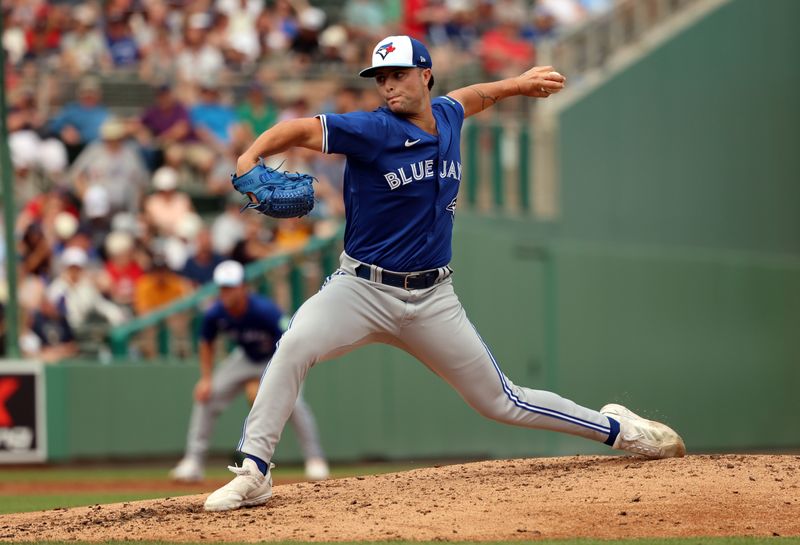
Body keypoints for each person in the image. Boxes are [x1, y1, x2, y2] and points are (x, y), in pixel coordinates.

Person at [203, 35, 685, 512]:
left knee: (502, 401)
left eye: (399, 75)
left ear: (425, 75)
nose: (389, 86)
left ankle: (620, 430)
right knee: (293, 346)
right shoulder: (373, 130)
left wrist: (519, 83)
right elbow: (300, 129)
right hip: (361, 289)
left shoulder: (448, 117)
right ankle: (254, 473)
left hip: (432, 298)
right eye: (381, 78)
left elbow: (473, 96)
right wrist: (250, 158)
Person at [171, 260, 329, 483]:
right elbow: (206, 342)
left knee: (295, 404)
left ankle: (315, 460)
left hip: (277, 358)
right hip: (245, 358)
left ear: (243, 287)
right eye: (223, 288)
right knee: (208, 395)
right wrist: (206, 379)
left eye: (231, 287)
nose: (226, 293)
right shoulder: (215, 312)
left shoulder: (264, 310)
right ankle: (193, 462)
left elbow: (289, 341)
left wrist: (261, 380)